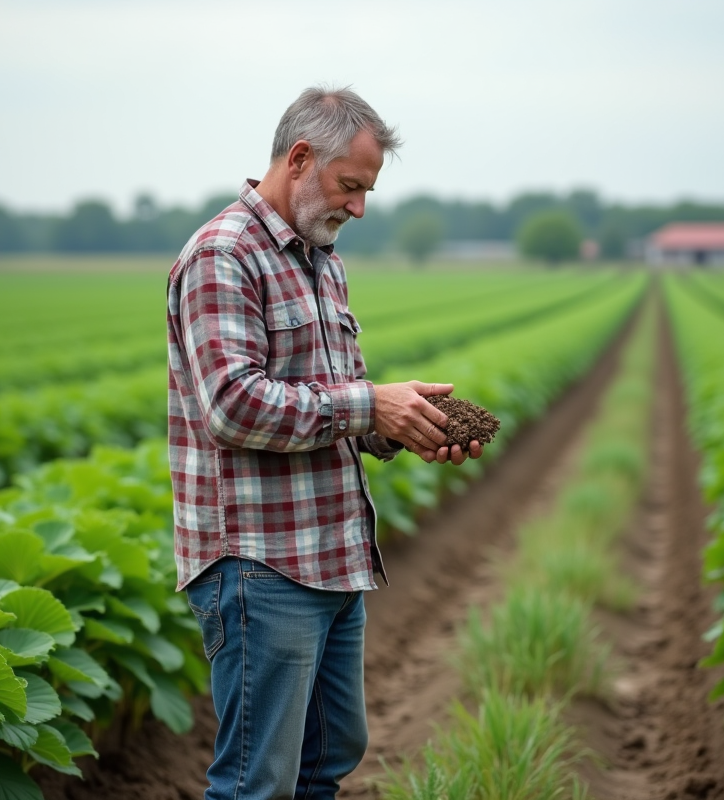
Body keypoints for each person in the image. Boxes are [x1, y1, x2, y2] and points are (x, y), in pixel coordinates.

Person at [166, 85, 484, 799]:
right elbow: (235, 405)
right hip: (261, 565)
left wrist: (407, 423)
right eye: (350, 186)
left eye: (367, 191)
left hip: (334, 558)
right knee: (258, 780)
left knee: (328, 758)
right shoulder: (224, 255)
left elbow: (337, 401)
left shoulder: (319, 256)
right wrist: (369, 404)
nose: (359, 208)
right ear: (300, 157)